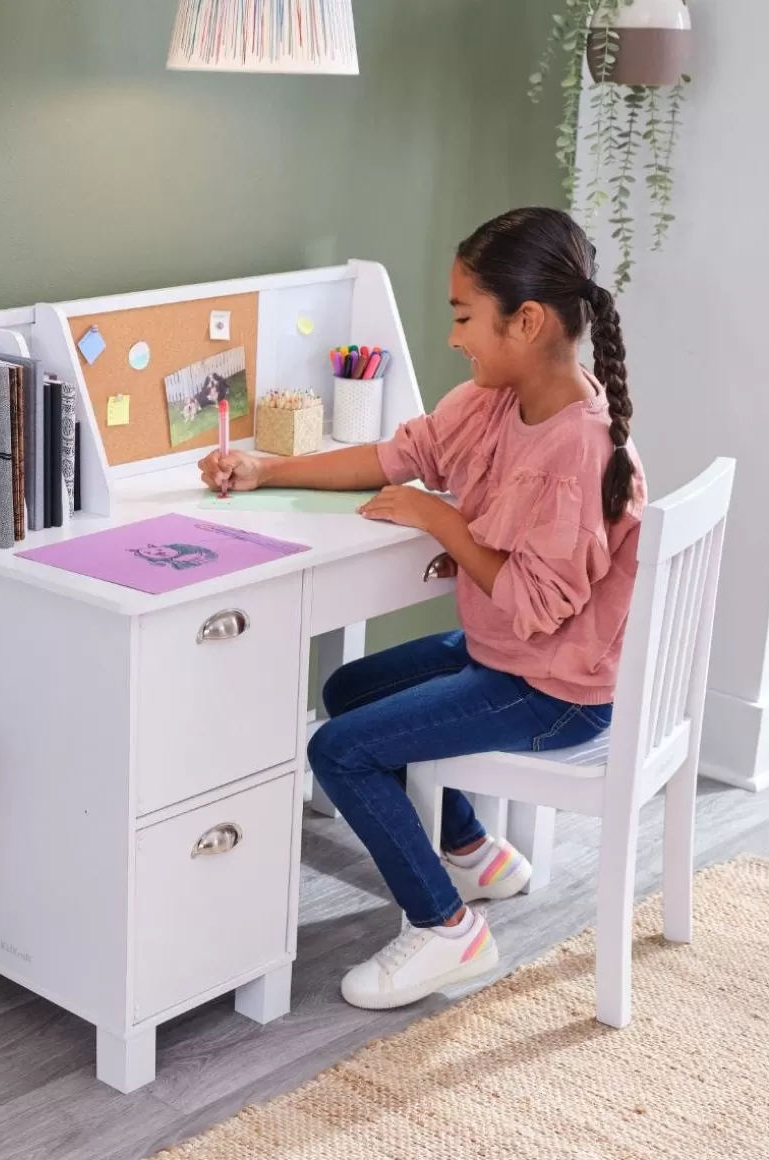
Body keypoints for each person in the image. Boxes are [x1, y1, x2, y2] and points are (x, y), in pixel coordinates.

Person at [197, 208, 647, 1010]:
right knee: (349, 692)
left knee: (339, 749)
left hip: (552, 693)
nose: (454, 337)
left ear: (529, 321)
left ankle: (446, 928)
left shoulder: (578, 447)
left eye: (465, 316)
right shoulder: (500, 401)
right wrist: (271, 469)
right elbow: (396, 456)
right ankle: (470, 848)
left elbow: (539, 604)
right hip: (508, 654)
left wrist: (445, 522)